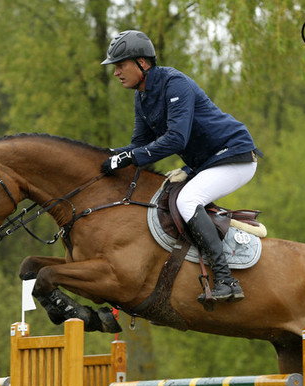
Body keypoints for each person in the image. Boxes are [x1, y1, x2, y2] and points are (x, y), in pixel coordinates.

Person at [101, 30, 259, 305]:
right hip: (208, 162)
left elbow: (176, 139)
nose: (116, 73)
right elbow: (139, 145)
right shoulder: (141, 97)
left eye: (120, 65)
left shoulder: (174, 84)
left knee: (188, 200)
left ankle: (225, 279)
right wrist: (109, 157)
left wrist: (127, 158)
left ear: (142, 63)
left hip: (234, 155)